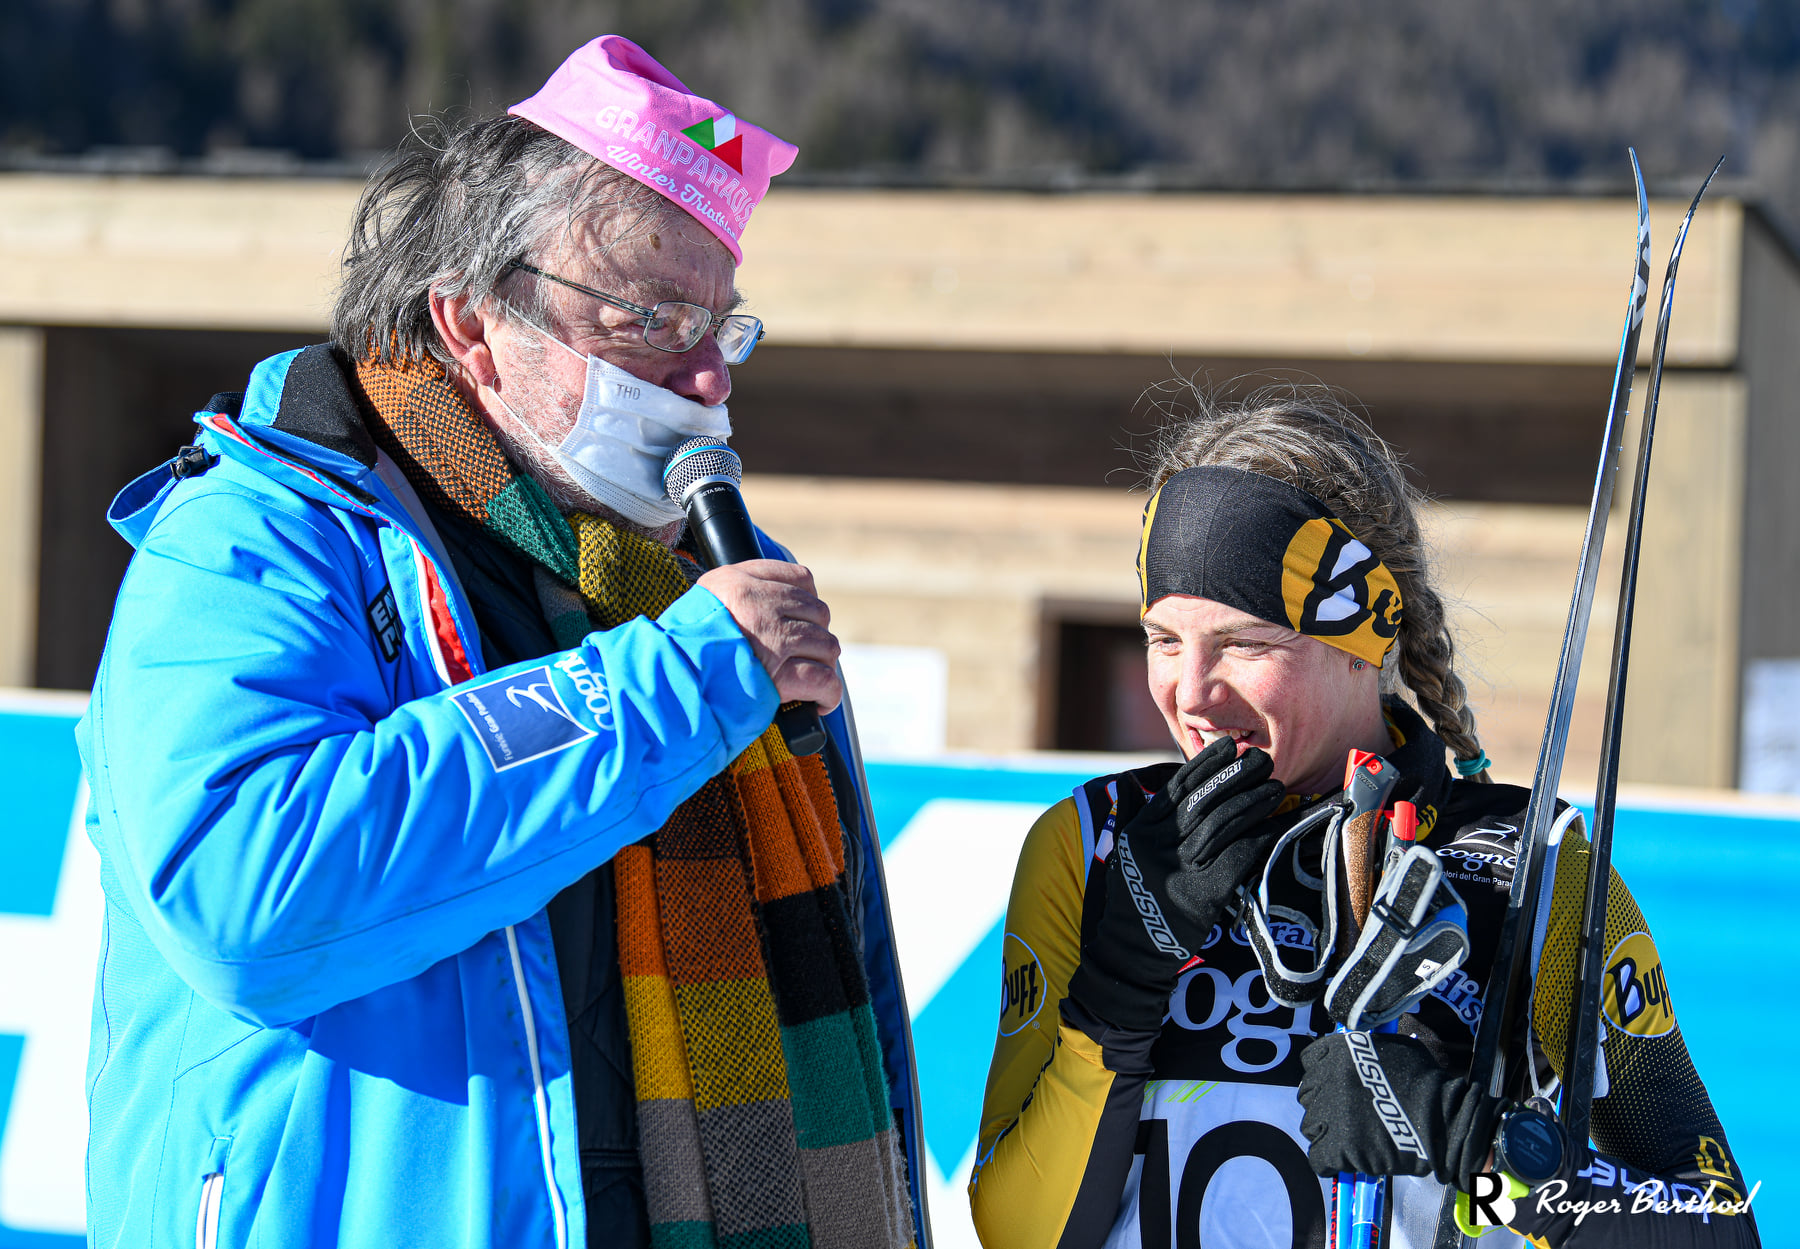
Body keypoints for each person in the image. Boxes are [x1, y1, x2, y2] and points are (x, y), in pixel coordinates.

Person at [78, 35, 923, 1249]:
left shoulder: (695, 577)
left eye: (723, 330)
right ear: (473, 322)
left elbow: (855, 1012)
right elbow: (243, 893)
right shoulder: (261, 533)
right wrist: (678, 681)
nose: (700, 379)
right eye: (650, 318)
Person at [968, 383, 1759, 1248]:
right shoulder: (1094, 844)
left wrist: (1471, 1143)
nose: (1189, 694)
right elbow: (1018, 1234)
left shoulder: (1526, 865)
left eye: (1244, 644)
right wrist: (1115, 1002)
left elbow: (1714, 1224)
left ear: (1364, 638)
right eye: (1163, 640)